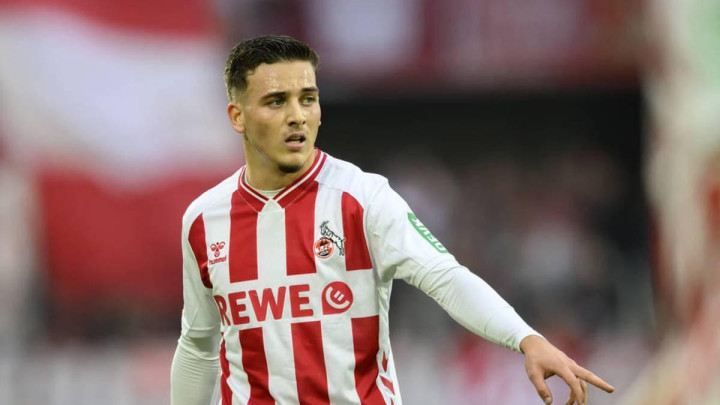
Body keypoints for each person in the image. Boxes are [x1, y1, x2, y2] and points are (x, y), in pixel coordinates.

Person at [170, 35, 614, 405]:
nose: (297, 116)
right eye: (276, 101)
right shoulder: (204, 221)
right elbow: (198, 345)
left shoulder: (363, 198)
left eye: (308, 99)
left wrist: (526, 338)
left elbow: (445, 276)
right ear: (237, 116)